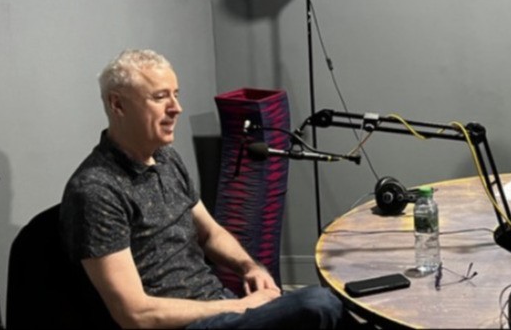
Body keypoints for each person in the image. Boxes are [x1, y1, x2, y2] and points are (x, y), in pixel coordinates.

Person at [59, 49, 349, 329]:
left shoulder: (166, 158)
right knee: (319, 304)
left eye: (176, 94)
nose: (176, 108)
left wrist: (250, 267)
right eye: (160, 97)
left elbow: (210, 233)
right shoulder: (96, 190)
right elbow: (135, 314)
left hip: (218, 305)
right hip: (186, 323)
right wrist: (240, 307)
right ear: (118, 105)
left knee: (340, 302)